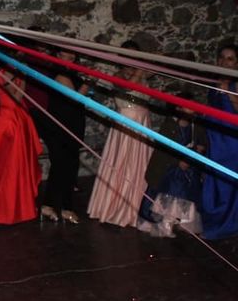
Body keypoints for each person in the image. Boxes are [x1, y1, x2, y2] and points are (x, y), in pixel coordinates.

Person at [87, 41, 153, 228]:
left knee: (141, 164)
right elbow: (128, 87)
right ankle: (118, 206)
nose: (130, 60)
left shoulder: (143, 74)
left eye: (134, 55)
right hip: (127, 123)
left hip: (143, 122)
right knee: (124, 163)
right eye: (126, 56)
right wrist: (141, 71)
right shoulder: (118, 76)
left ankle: (141, 203)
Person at [0, 61, 42, 224]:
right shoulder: (5, 72)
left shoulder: (10, 71)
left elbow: (18, 97)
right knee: (6, 167)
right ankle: (1, 210)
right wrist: (23, 77)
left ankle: (17, 208)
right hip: (8, 122)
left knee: (15, 166)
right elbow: (16, 95)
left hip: (16, 119)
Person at [137, 95, 207, 238]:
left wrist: (200, 148)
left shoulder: (195, 124)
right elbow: (164, 148)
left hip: (188, 164)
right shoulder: (170, 125)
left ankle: (184, 221)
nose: (192, 109)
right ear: (179, 107)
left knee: (188, 193)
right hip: (169, 166)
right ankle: (165, 222)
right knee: (171, 192)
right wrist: (177, 161)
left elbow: (202, 140)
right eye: (188, 105)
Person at [40, 49, 89, 224]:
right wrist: (89, 82)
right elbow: (75, 98)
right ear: (58, 56)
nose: (69, 58)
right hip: (60, 126)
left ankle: (56, 206)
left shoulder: (72, 73)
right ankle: (58, 207)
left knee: (68, 166)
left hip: (72, 123)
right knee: (62, 167)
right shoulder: (60, 74)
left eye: (72, 56)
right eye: (65, 55)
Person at [201, 44, 238, 240]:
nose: (225, 62)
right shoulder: (213, 82)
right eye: (222, 58)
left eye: (230, 58)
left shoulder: (235, 84)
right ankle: (215, 220)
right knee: (214, 179)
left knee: (229, 181)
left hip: (232, 141)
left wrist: (229, 91)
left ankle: (229, 223)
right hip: (215, 139)